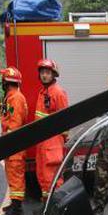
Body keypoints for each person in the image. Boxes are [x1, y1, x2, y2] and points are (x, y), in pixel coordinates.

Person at [35, 59, 69, 201]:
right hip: (43, 141)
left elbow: (65, 120)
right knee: (43, 175)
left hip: (53, 142)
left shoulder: (58, 93)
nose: (44, 75)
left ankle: (57, 208)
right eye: (42, 72)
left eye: (48, 73)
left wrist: (62, 141)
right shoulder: (44, 92)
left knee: (53, 177)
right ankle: (46, 206)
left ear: (54, 74)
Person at [0, 67, 29, 215]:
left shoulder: (15, 98)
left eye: (3, 80)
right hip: (11, 144)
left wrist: (8, 140)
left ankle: (17, 208)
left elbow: (15, 124)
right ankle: (14, 203)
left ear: (7, 82)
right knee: (12, 173)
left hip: (14, 144)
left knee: (16, 174)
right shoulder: (11, 96)